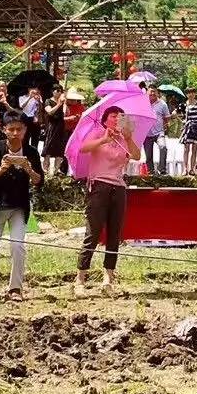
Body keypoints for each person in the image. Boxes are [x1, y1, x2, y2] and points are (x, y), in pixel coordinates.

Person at [75, 104, 141, 292]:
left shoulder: (123, 138)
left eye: (121, 116)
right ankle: (81, 276)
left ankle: (108, 277)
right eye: (113, 116)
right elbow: (83, 148)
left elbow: (137, 155)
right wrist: (103, 140)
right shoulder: (97, 132)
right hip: (98, 186)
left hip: (118, 187)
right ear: (105, 120)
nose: (117, 119)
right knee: (93, 232)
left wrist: (128, 137)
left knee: (114, 234)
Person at [0, 110, 43, 300]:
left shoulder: (31, 152)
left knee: (18, 246)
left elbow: (39, 181)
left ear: (25, 130)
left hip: (19, 206)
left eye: (20, 129)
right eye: (12, 129)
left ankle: (15, 288)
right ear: (4, 130)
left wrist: (28, 169)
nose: (16, 133)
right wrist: (2, 168)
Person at [143, 86, 171, 175]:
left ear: (158, 93)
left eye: (154, 92)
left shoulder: (162, 104)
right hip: (147, 134)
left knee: (163, 147)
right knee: (148, 155)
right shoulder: (142, 103)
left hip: (159, 132)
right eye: (151, 91)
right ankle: (150, 172)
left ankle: (162, 169)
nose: (152, 93)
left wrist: (166, 124)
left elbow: (167, 117)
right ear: (147, 93)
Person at [180, 88, 197, 175]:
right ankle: (185, 169)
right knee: (186, 149)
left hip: (196, 128)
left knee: (194, 149)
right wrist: (183, 122)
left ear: (195, 94)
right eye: (188, 93)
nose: (190, 94)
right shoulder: (183, 105)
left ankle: (192, 169)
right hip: (187, 128)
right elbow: (178, 114)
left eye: (192, 92)